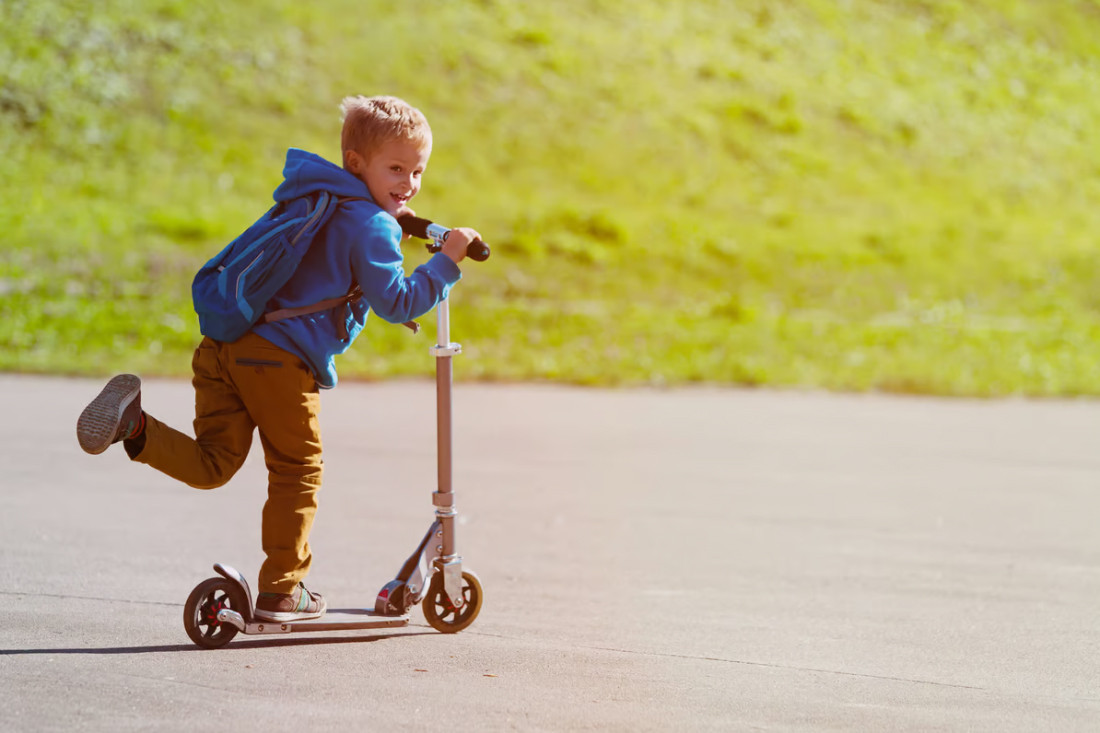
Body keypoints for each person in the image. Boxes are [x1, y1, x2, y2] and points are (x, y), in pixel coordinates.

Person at [76, 95, 480, 622]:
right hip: (278, 364)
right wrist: (446, 263)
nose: (408, 184)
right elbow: (398, 301)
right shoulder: (372, 226)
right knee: (297, 470)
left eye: (418, 171)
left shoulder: (314, 196)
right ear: (356, 164)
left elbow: (320, 273)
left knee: (214, 463)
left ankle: (134, 427)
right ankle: (282, 590)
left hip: (225, 345)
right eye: (396, 168)